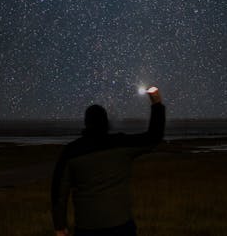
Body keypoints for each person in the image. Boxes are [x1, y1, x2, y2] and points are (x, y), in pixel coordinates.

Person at [51, 86, 165, 236]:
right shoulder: (120, 144)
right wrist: (157, 104)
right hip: (121, 227)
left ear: (86, 123)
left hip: (87, 228)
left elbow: (59, 192)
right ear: (106, 122)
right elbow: (154, 137)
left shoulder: (71, 151)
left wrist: (60, 226)